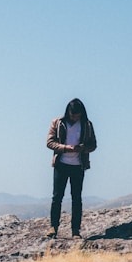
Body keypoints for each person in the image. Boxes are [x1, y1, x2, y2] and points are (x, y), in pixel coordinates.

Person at [45, 98, 97, 239]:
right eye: (72, 115)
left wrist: (83, 148)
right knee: (57, 197)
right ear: (68, 112)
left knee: (76, 198)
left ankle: (75, 231)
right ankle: (53, 227)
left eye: (77, 115)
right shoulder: (58, 122)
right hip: (61, 164)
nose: (74, 118)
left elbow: (93, 145)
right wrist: (65, 148)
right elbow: (49, 142)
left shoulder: (87, 125)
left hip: (78, 166)